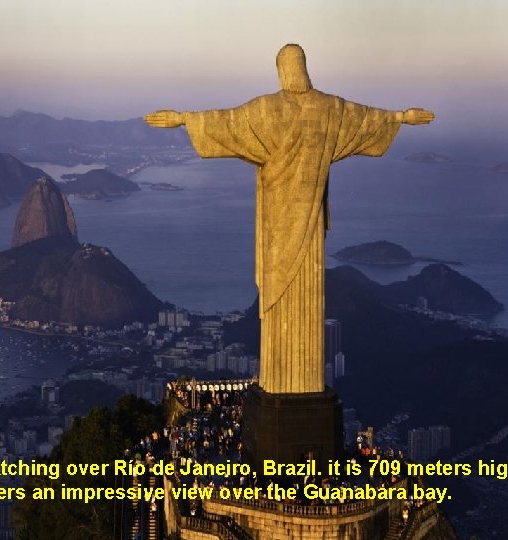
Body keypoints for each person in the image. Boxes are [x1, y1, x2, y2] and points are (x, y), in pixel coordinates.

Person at [145, 44, 434, 394]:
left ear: (282, 70)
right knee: (301, 294)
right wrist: (401, 116)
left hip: (278, 223)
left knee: (281, 296)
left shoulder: (268, 110)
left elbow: (226, 122)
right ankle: (297, 383)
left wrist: (183, 118)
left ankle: (287, 384)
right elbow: (367, 119)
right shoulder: (329, 109)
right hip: (307, 221)